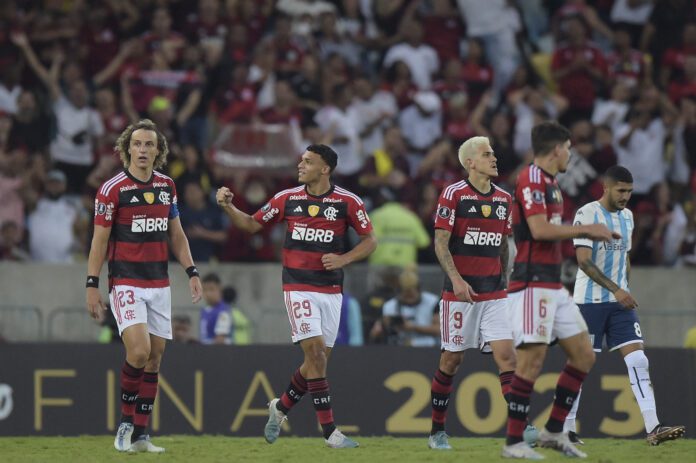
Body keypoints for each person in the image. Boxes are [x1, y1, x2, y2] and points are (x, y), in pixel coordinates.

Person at [216, 144, 377, 448]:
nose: (300, 165)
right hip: (297, 286)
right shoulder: (287, 198)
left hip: (331, 290)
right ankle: (330, 432)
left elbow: (370, 241)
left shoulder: (348, 202)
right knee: (315, 355)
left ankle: (281, 408)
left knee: (315, 364)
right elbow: (251, 224)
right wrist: (228, 207)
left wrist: (344, 259)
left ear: (325, 168)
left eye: (308, 162)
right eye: (301, 160)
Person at [502, 121, 618, 459]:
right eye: (568, 148)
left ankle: (553, 431)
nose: (570, 154)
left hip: (553, 283)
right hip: (530, 283)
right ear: (556, 149)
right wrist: (586, 229)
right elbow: (538, 229)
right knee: (531, 363)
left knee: (584, 354)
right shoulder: (532, 178)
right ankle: (513, 443)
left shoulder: (551, 183)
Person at [85, 119, 202, 453]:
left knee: (155, 360)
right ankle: (125, 423)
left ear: (158, 151)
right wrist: (92, 285)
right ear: (127, 149)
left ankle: (140, 435)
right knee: (138, 352)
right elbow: (99, 241)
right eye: (137, 144)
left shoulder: (167, 186)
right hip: (126, 283)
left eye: (150, 144)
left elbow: (176, 234)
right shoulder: (112, 190)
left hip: (159, 283)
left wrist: (191, 271)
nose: (143, 150)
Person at [564, 166, 685, 445]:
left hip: (619, 304)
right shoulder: (586, 213)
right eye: (621, 190)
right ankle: (566, 429)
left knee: (638, 360)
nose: (626, 196)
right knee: (580, 365)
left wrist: (624, 287)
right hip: (589, 302)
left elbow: (625, 257)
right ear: (605, 188)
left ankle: (653, 428)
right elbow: (583, 260)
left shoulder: (628, 217)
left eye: (629, 191)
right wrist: (616, 289)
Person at [427, 136, 518, 450]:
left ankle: (521, 428)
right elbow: (440, 242)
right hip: (460, 294)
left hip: (494, 291)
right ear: (470, 162)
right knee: (452, 360)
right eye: (487, 154)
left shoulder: (505, 199)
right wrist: (455, 279)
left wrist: (505, 280)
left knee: (507, 357)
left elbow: (504, 243)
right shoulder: (454, 194)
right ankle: (437, 431)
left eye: (493, 153)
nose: (494, 158)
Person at [382, 267, 439, 347]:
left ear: (419, 290)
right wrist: (384, 326)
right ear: (399, 291)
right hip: (399, 346)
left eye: (411, 295)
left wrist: (413, 327)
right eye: (406, 295)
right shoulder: (390, 306)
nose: (409, 299)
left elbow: (439, 330)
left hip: (429, 346)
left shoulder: (432, 302)